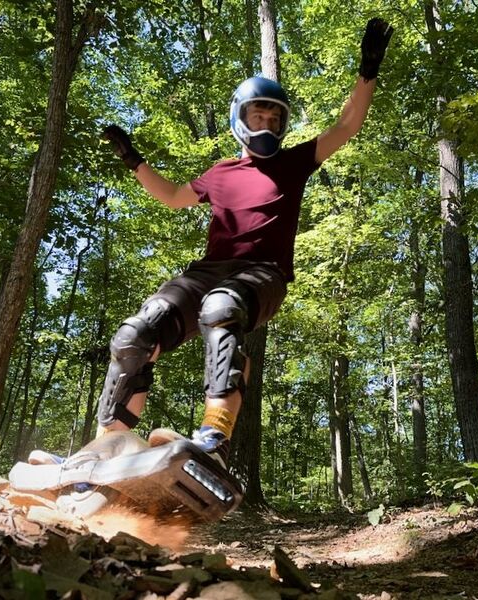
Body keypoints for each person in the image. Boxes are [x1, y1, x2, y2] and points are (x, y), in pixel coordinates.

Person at [89, 18, 393, 469]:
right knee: (137, 333)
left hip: (262, 274)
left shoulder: (294, 163)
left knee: (222, 309)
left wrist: (366, 73)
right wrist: (133, 159)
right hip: (207, 271)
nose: (267, 123)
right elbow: (173, 197)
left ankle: (214, 436)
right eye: (258, 115)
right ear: (240, 118)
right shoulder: (220, 172)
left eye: (275, 117)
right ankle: (107, 444)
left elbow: (346, 126)